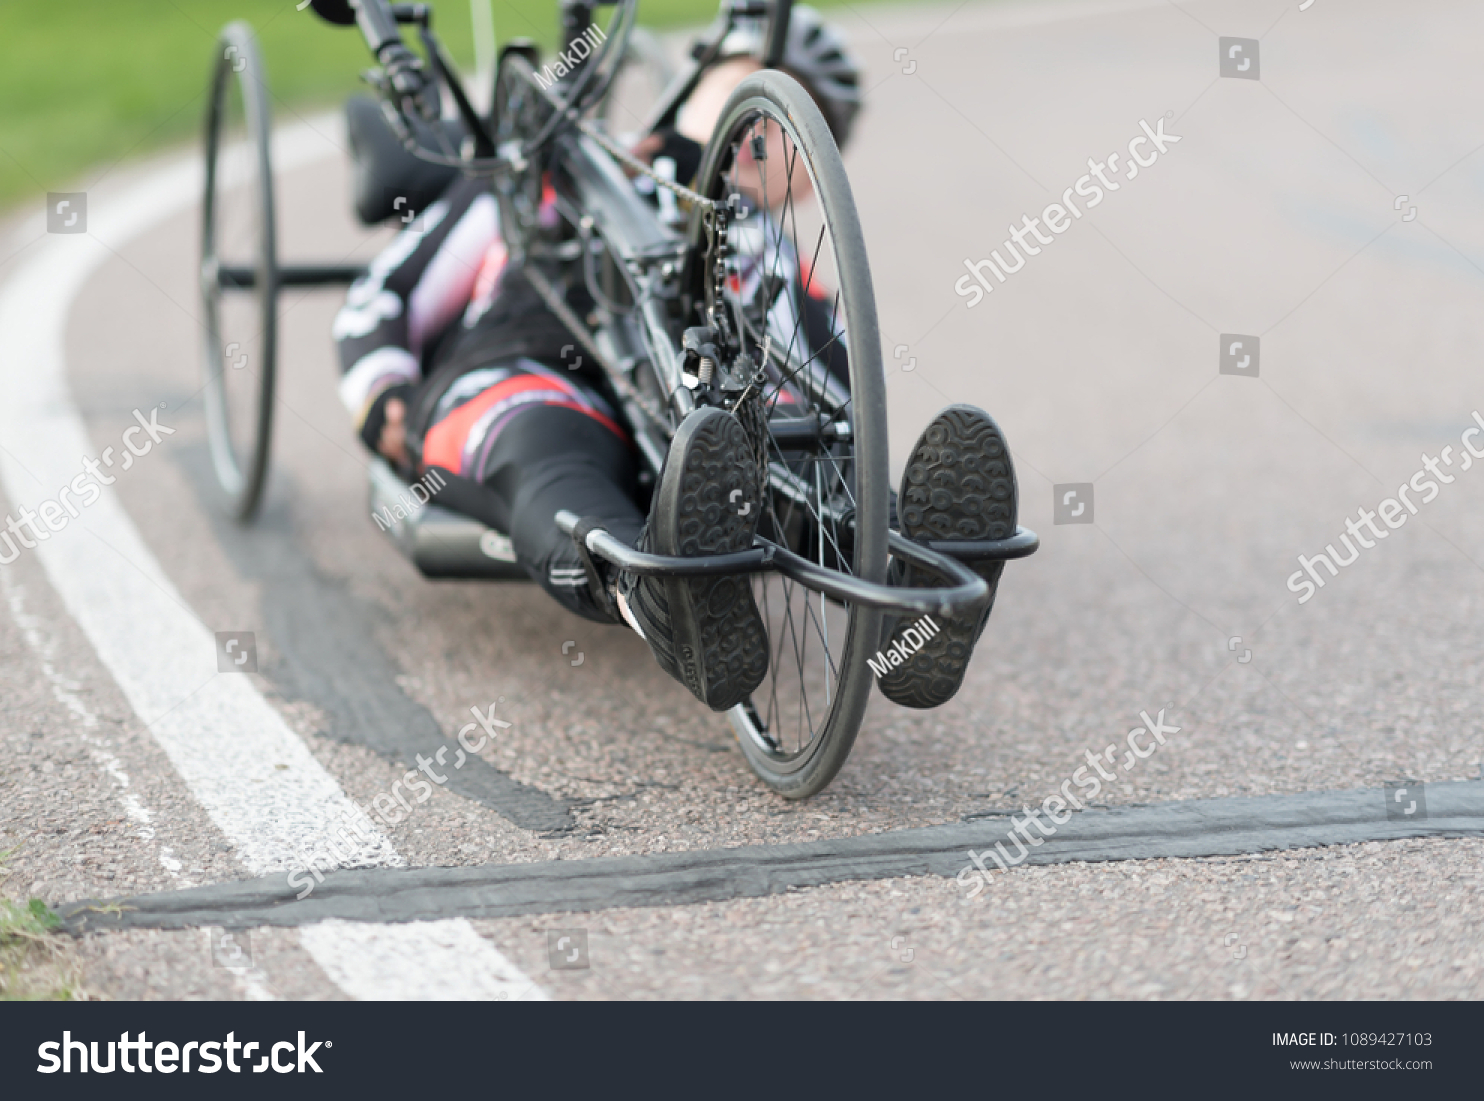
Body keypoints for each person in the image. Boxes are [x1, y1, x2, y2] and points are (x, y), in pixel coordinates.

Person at [333, 6, 1018, 713]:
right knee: (539, 440)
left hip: (707, 431)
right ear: (702, 85)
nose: (767, 133)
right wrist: (382, 393)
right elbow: (386, 294)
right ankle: (658, 595)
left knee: (798, 457)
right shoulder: (547, 172)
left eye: (804, 123)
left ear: (810, 180)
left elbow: (830, 382)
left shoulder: (773, 248)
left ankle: (916, 573)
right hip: (532, 369)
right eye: (749, 85)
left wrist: (837, 465)